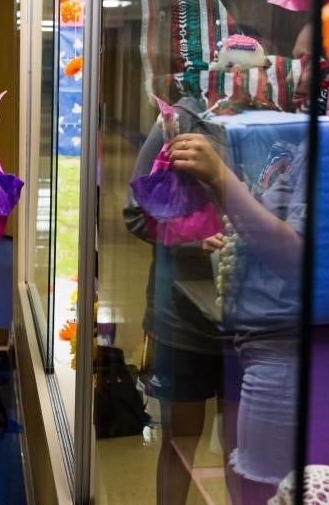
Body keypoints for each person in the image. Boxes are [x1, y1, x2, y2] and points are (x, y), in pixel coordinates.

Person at [167, 126, 307, 505]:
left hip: (275, 339)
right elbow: (140, 214)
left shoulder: (299, 138)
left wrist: (219, 179)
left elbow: (295, 255)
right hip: (227, 327)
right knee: (190, 438)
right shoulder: (282, 136)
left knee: (258, 484)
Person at [123, 94, 232, 505]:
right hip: (181, 317)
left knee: (242, 454)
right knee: (179, 442)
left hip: (253, 319)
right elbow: (137, 213)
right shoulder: (179, 120)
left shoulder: (270, 122)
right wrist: (193, 238)